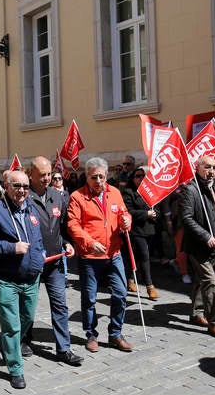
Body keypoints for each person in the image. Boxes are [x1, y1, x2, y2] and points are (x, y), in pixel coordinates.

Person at [0, 170, 45, 389]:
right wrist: (10, 248)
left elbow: (37, 236)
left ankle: (3, 344)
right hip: (6, 279)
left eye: (25, 186)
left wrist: (41, 253)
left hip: (31, 277)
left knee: (27, 318)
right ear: (6, 186)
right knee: (12, 325)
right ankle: (15, 368)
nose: (22, 191)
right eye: (17, 186)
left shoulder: (31, 207)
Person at [67, 157, 133, 353]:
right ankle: (91, 335)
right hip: (90, 257)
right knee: (89, 298)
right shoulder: (77, 197)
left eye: (102, 177)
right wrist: (89, 242)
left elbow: (124, 213)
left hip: (114, 254)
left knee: (121, 294)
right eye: (94, 177)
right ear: (87, 177)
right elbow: (73, 225)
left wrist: (127, 221)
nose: (98, 181)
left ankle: (115, 334)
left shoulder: (115, 193)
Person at [24, 156, 83, 366]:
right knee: (28, 305)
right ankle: (23, 340)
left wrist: (67, 243)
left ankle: (63, 349)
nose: (47, 178)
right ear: (31, 174)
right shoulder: (24, 196)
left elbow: (64, 226)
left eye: (49, 174)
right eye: (42, 175)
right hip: (31, 262)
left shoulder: (57, 196)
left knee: (60, 305)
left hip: (55, 262)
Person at [179, 157, 215, 339]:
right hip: (199, 245)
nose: (211, 171)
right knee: (210, 281)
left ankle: (195, 313)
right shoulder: (191, 189)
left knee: (201, 281)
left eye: (214, 167)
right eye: (207, 167)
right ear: (197, 168)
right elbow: (186, 218)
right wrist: (205, 235)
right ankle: (214, 322)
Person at [121, 166, 159, 300]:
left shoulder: (149, 191)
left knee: (137, 256)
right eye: (138, 176)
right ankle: (150, 287)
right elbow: (128, 210)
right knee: (144, 256)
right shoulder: (128, 192)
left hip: (149, 230)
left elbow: (157, 207)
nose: (141, 178)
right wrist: (146, 214)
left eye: (143, 176)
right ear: (133, 178)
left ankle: (130, 279)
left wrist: (154, 214)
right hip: (135, 230)